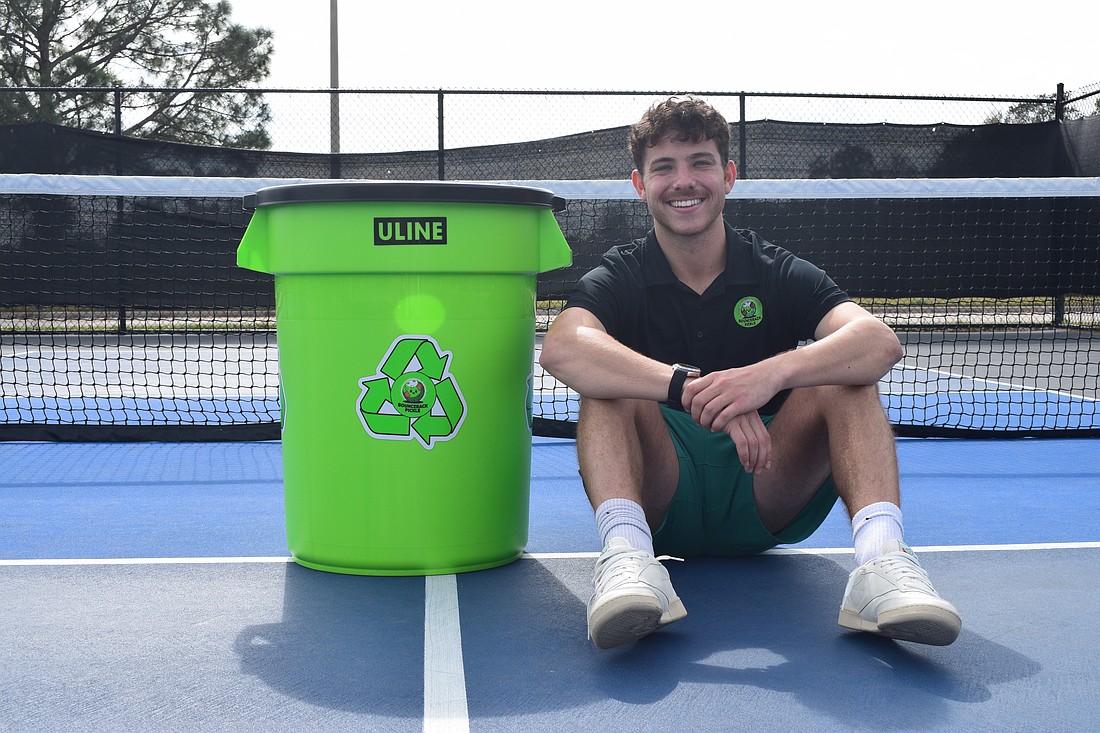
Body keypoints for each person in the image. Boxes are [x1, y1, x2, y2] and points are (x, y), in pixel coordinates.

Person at [538, 96, 961, 651]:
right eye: (664, 167)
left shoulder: (775, 269)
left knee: (844, 375)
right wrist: (690, 388)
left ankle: (882, 564)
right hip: (661, 494)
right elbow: (563, 348)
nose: (683, 181)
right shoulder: (622, 273)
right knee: (605, 380)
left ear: (729, 176)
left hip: (765, 485)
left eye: (700, 162)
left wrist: (768, 376)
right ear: (640, 184)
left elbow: (877, 342)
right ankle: (627, 558)